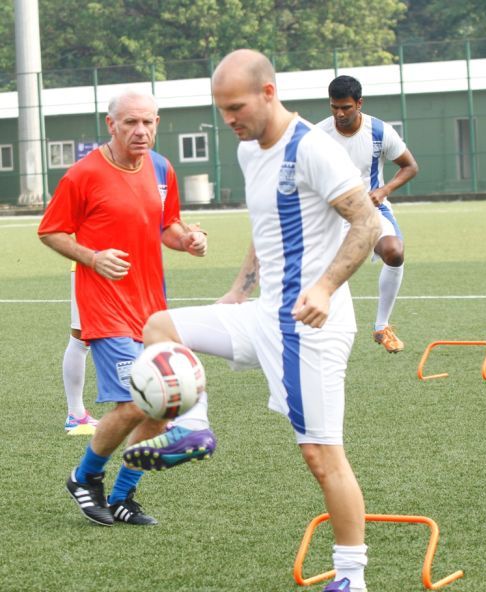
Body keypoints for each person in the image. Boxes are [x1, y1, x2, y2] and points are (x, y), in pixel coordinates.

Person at [123, 50, 380, 592]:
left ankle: (352, 578)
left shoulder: (314, 148)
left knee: (319, 453)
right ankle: (194, 429)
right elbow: (266, 230)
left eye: (236, 106)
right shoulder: (248, 151)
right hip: (264, 313)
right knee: (160, 327)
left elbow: (367, 221)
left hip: (314, 325)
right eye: (221, 110)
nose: (229, 119)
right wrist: (238, 290)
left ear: (268, 93)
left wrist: (327, 286)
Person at [38, 89, 216, 527]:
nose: (141, 131)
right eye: (131, 123)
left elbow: (167, 226)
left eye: (149, 122)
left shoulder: (161, 168)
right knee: (136, 405)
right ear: (110, 124)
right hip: (106, 307)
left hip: (153, 309)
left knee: (164, 403)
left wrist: (189, 240)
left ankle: (122, 496)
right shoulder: (83, 175)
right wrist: (92, 257)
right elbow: (51, 231)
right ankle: (84, 477)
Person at [317, 75, 419, 353]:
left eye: (346, 107)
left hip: (371, 209)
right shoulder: (318, 136)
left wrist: (384, 190)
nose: (339, 113)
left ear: (359, 104)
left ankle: (381, 327)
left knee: (394, 251)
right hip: (330, 214)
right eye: (334, 107)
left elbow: (410, 166)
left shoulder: (380, 131)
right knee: (323, 273)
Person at [62, 262, 98, 433]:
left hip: (134, 266)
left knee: (139, 331)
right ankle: (76, 414)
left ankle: (144, 413)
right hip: (90, 267)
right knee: (81, 336)